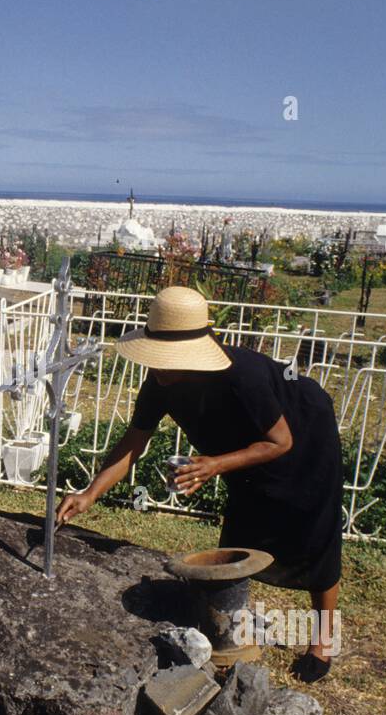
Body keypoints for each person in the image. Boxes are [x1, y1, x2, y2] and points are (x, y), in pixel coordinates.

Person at [55, 287, 344, 683]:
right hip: (243, 452)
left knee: (314, 537)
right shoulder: (160, 383)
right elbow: (133, 444)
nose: (157, 368)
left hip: (306, 437)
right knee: (240, 533)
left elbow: (282, 442)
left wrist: (215, 464)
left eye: (166, 359)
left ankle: (323, 639)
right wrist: (90, 493)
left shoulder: (242, 375)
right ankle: (232, 624)